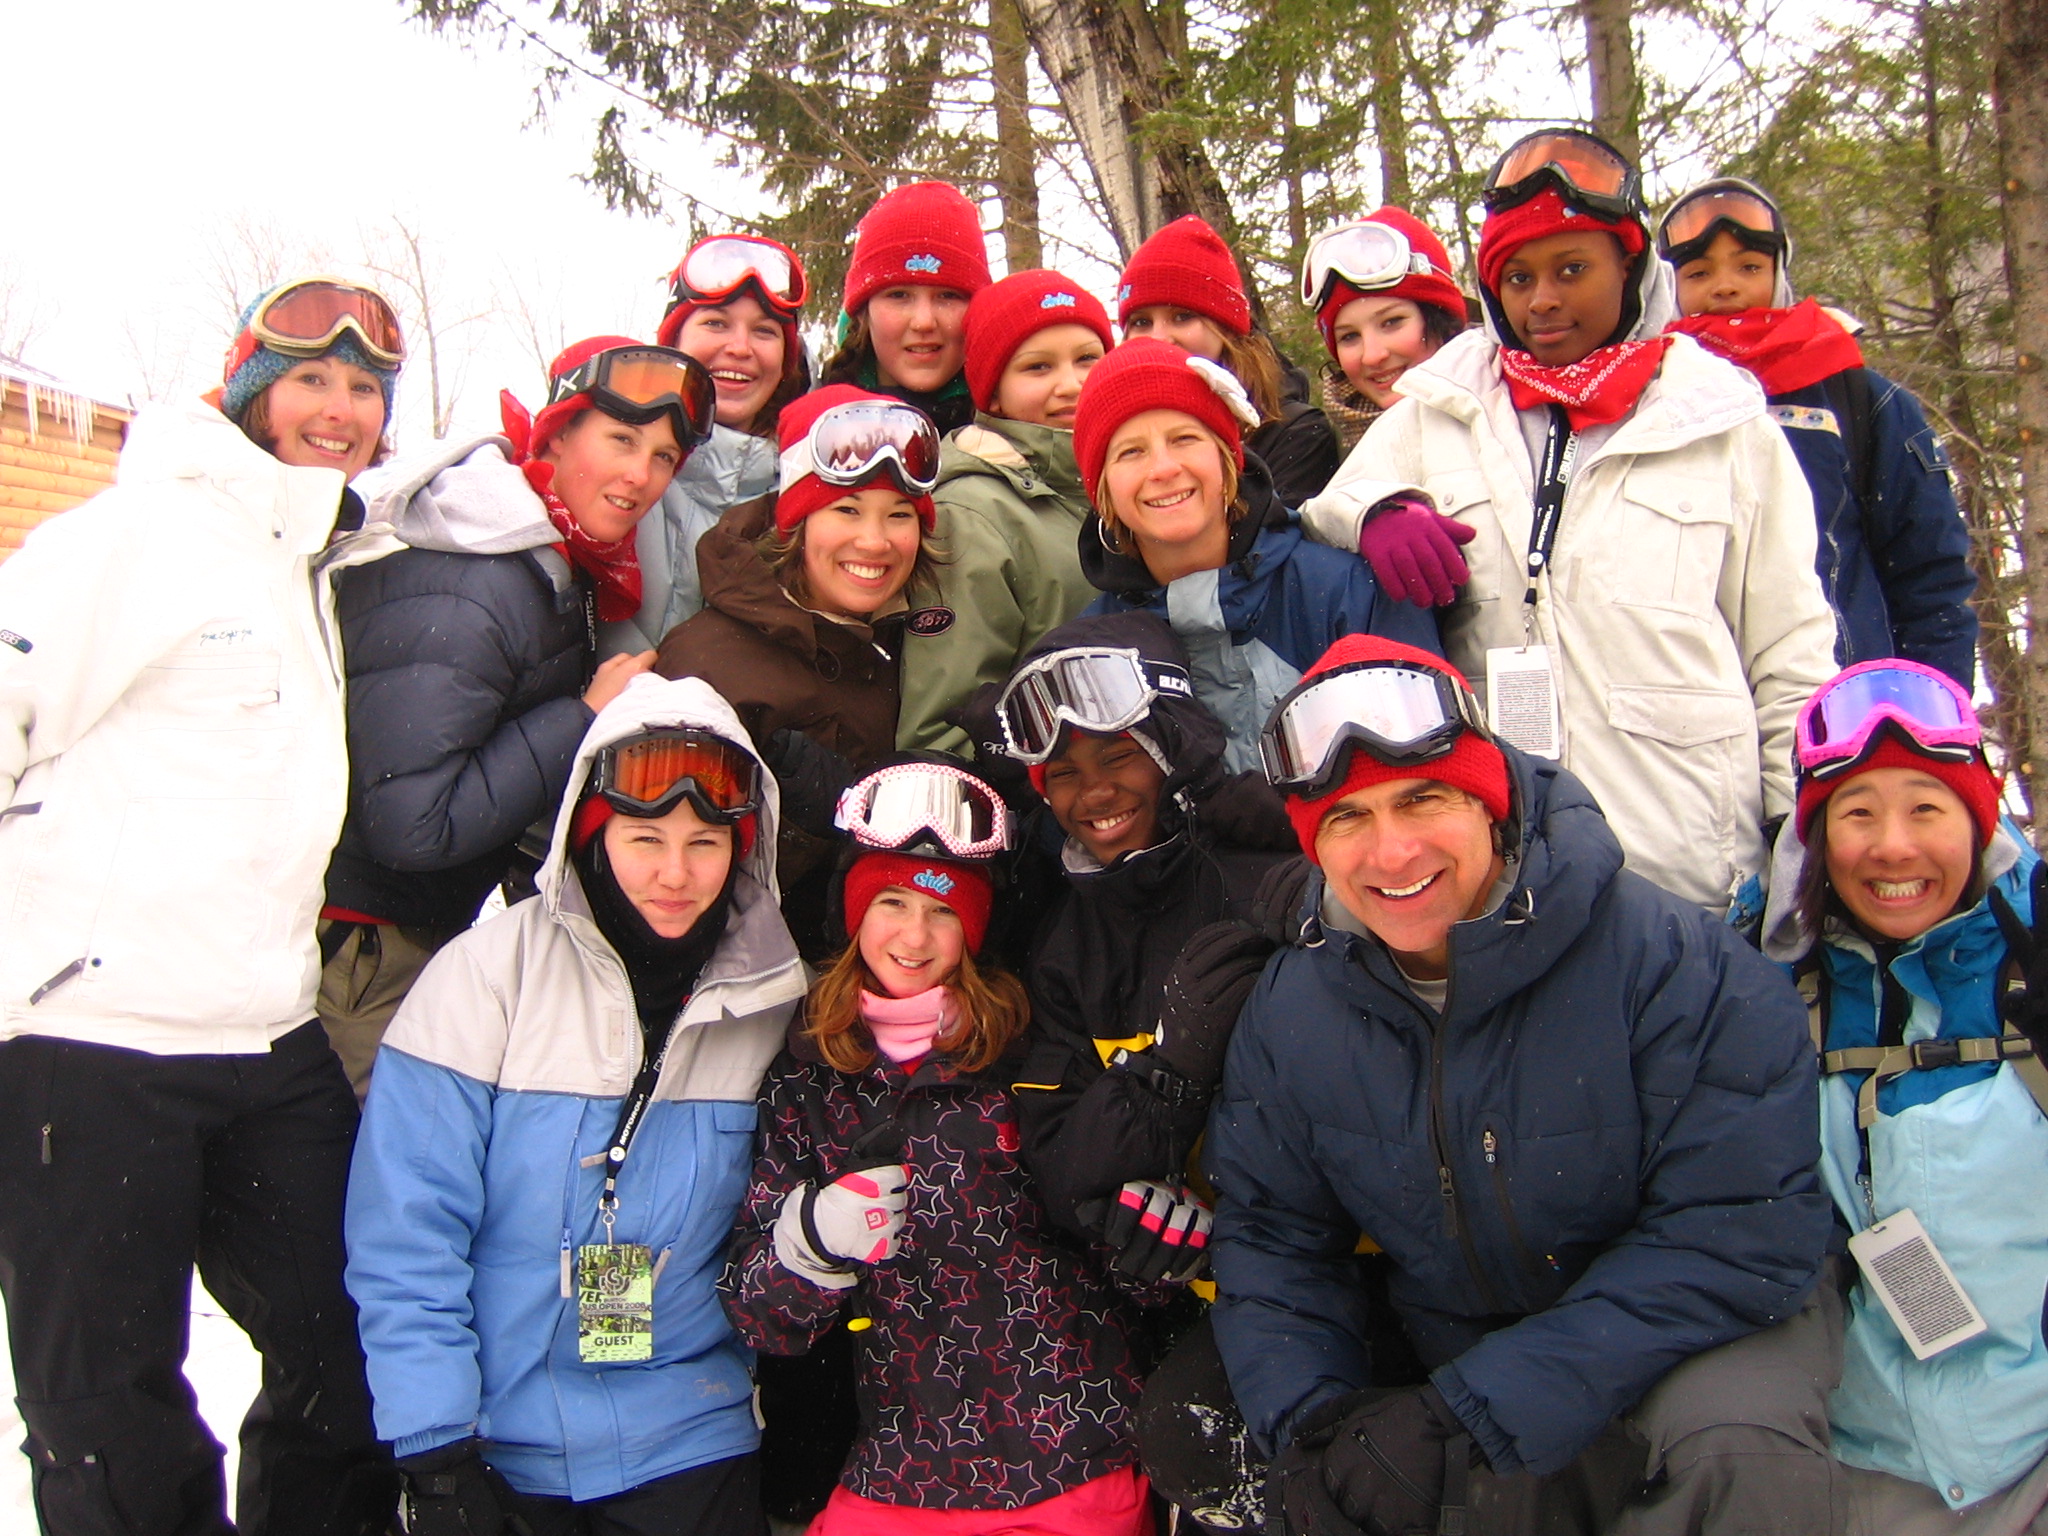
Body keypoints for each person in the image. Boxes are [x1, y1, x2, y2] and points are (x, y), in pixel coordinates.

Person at [1207, 634, 1840, 1536]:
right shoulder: (1296, 1007)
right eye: (1348, 818)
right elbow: (1275, 1233)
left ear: (1490, 804)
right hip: (1460, 1348)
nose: (1392, 852)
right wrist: (1313, 1422)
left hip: (1691, 1338)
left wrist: (1479, 1407)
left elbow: (1740, 1229)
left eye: (1422, 799)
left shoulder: (1671, 962)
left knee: (1739, 1453)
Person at [0, 275, 405, 1535]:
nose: (338, 410)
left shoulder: (304, 559)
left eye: (363, 388)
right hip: (95, 1041)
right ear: (248, 393)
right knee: (109, 1409)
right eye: (310, 379)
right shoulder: (137, 536)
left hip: (266, 1033)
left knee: (351, 1344)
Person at [1299, 127, 1838, 913]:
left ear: (1630, 267)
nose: (1543, 299)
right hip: (1510, 865)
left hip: (1691, 865)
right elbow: (1325, 511)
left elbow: (1789, 648)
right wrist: (1379, 511)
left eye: (1572, 269)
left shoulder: (1720, 418)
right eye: (1518, 277)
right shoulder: (1444, 406)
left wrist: (1802, 831)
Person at [346, 674, 807, 1536]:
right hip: (494, 1438)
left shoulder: (775, 1003)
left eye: (705, 842)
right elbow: (408, 1230)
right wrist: (434, 1446)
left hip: (687, 1434)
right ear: (589, 832)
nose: (675, 874)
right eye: (645, 838)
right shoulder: (485, 979)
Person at [722, 760, 1156, 1535]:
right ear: (856, 911)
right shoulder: (810, 1075)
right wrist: (811, 1243)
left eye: (943, 911)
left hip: (1070, 1454)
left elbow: (1117, 1250)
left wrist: (1159, 1239)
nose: (914, 937)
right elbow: (762, 1316)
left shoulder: (1029, 1054)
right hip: (903, 1466)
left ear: (975, 931)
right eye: (892, 902)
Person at [317, 336, 711, 1093]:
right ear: (556, 435)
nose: (641, 475)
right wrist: (583, 716)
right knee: (369, 1156)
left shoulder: (542, 557)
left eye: (663, 456)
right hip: (365, 952)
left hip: (411, 930)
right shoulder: (473, 578)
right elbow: (413, 824)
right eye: (621, 440)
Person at [1759, 659, 2048, 1535]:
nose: (1892, 847)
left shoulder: (2034, 963)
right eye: (1857, 813)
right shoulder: (1763, 989)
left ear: (1978, 822)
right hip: (1855, 1475)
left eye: (1927, 808)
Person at [1659, 179, 1978, 687]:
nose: (1725, 286)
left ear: (1778, 272)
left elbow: (1930, 576)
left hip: (1844, 700)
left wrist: (1929, 709)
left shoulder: (1857, 399)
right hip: (1690, 703)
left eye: (1749, 267)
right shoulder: (1644, 401)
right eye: (1699, 273)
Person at [655, 384, 941, 950]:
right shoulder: (710, 663)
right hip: (746, 961)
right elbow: (668, 868)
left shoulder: (913, 638)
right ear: (797, 522)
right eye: (847, 510)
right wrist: (803, 828)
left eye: (899, 515)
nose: (875, 541)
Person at [1072, 336, 1440, 773]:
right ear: (1102, 488)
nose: (1164, 468)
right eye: (1130, 452)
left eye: (1185, 438)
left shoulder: (1345, 593)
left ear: (1228, 459)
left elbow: (1425, 766)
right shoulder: (1092, 649)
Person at [897, 268, 1111, 754]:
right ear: (993, 391)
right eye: (1038, 367)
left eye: (1087, 358)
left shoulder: (1128, 485)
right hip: (1055, 784)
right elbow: (945, 729)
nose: (1072, 384)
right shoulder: (971, 517)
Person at [604, 234, 812, 655]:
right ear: (674, 342)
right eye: (716, 323)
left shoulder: (806, 495)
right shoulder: (613, 468)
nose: (739, 348)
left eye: (764, 331)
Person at [1117, 214, 1339, 506]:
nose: (1159, 338)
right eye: (1141, 322)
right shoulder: (1117, 434)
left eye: (1182, 317)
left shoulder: (1295, 434)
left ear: (1226, 329)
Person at [819, 180, 992, 435]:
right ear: (863, 313)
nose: (923, 321)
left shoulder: (1024, 428)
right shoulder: (812, 429)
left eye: (948, 296)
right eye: (899, 295)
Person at [1300, 209, 1469, 453]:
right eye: (1349, 336)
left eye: (1391, 322)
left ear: (1440, 320)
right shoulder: (1329, 456)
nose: (1372, 356)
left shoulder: (1510, 419)